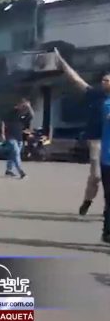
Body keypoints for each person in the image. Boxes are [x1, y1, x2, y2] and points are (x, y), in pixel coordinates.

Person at [54, 50, 109, 218]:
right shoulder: (95, 95)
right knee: (96, 176)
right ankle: (87, 200)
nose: (104, 82)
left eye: (107, 80)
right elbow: (76, 79)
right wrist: (62, 63)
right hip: (96, 140)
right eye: (103, 80)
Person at [1, 98, 33, 179]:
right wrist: (2, 134)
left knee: (13, 154)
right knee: (16, 153)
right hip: (10, 136)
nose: (23, 107)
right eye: (22, 105)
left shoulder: (24, 113)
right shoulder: (12, 112)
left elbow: (32, 116)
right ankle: (21, 172)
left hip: (19, 137)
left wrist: (29, 107)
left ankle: (8, 170)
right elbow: (3, 122)